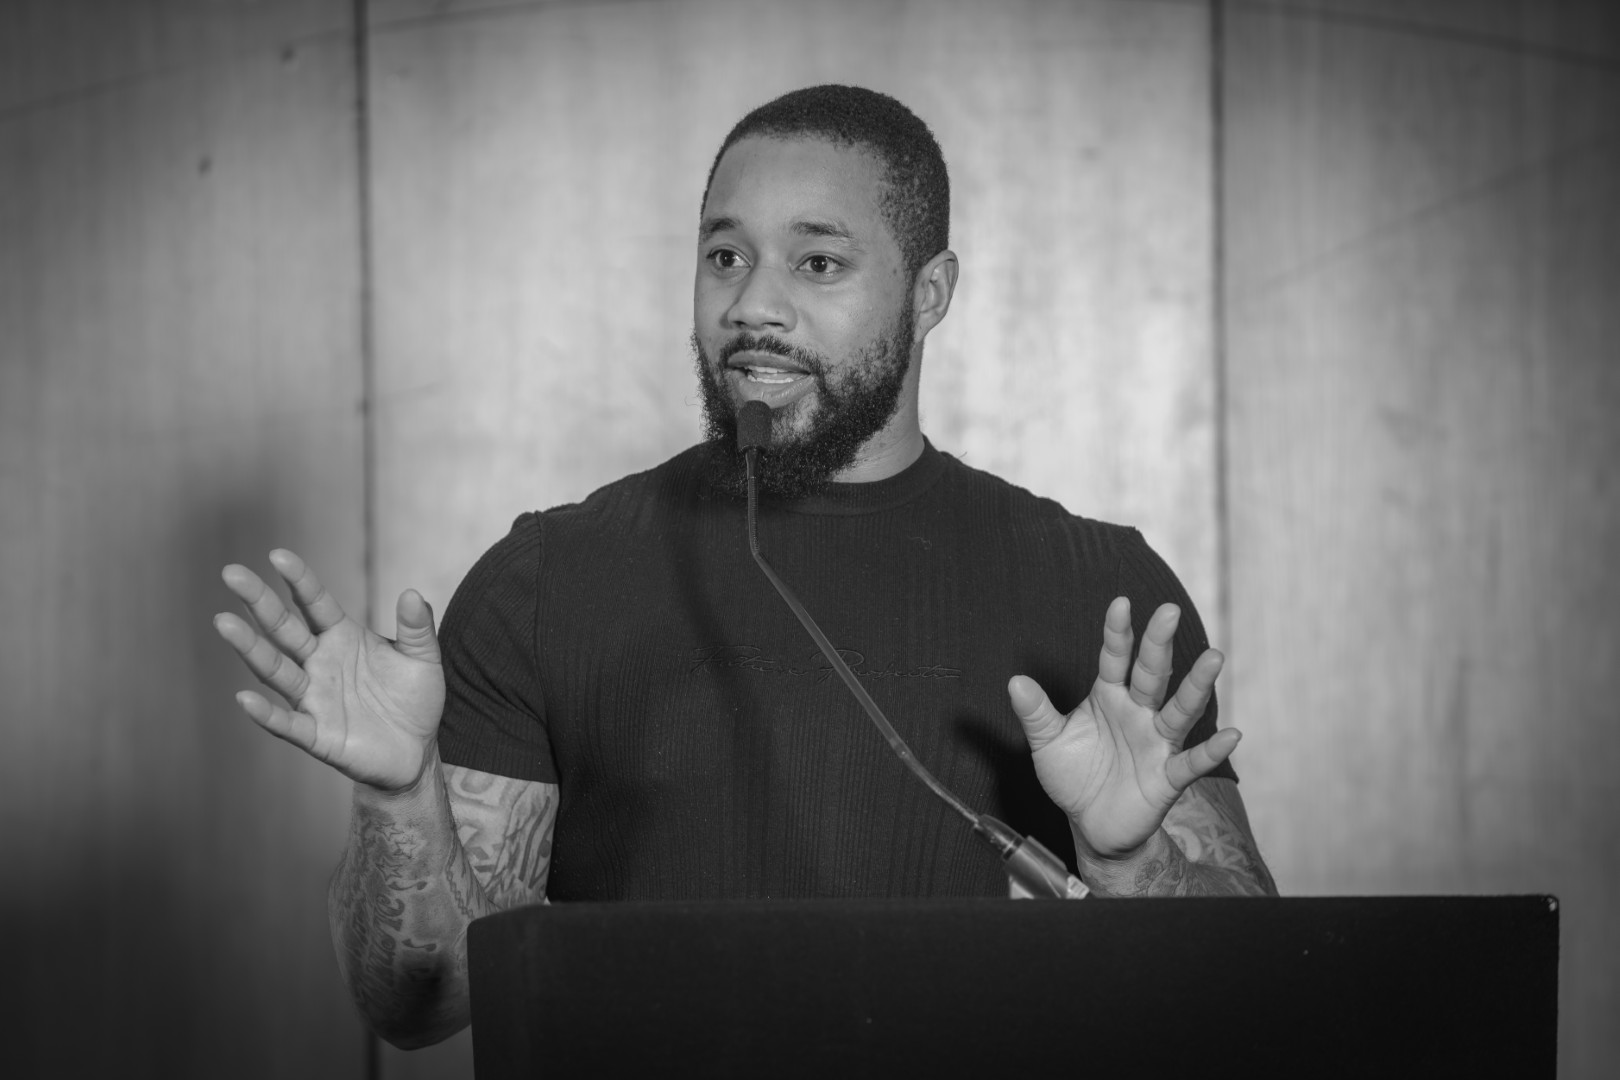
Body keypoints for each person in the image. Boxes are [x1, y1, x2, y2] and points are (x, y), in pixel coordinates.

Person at [214, 85, 1276, 1049]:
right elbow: (418, 1003)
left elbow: (1250, 1000)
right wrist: (401, 797)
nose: (751, 306)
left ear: (930, 293)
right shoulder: (545, 578)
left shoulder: (1099, 592)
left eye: (818, 263)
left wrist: (1131, 864)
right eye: (725, 256)